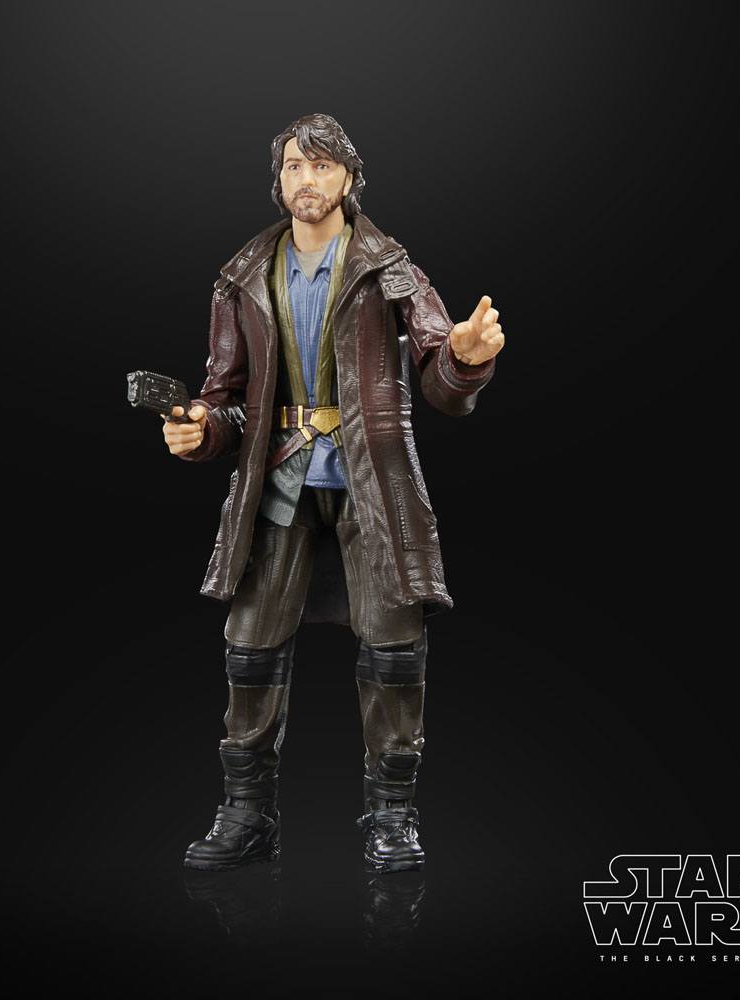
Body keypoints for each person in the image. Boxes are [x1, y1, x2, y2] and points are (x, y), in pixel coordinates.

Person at [162, 113, 505, 872]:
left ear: (349, 178)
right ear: (278, 179)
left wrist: (465, 358)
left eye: (321, 166)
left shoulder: (390, 268)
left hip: (372, 482)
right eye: (293, 166)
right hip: (280, 477)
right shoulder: (244, 275)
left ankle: (393, 817)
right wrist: (199, 430)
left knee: (394, 650)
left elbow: (439, 377)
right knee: (250, 650)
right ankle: (247, 814)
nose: (306, 180)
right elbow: (225, 397)